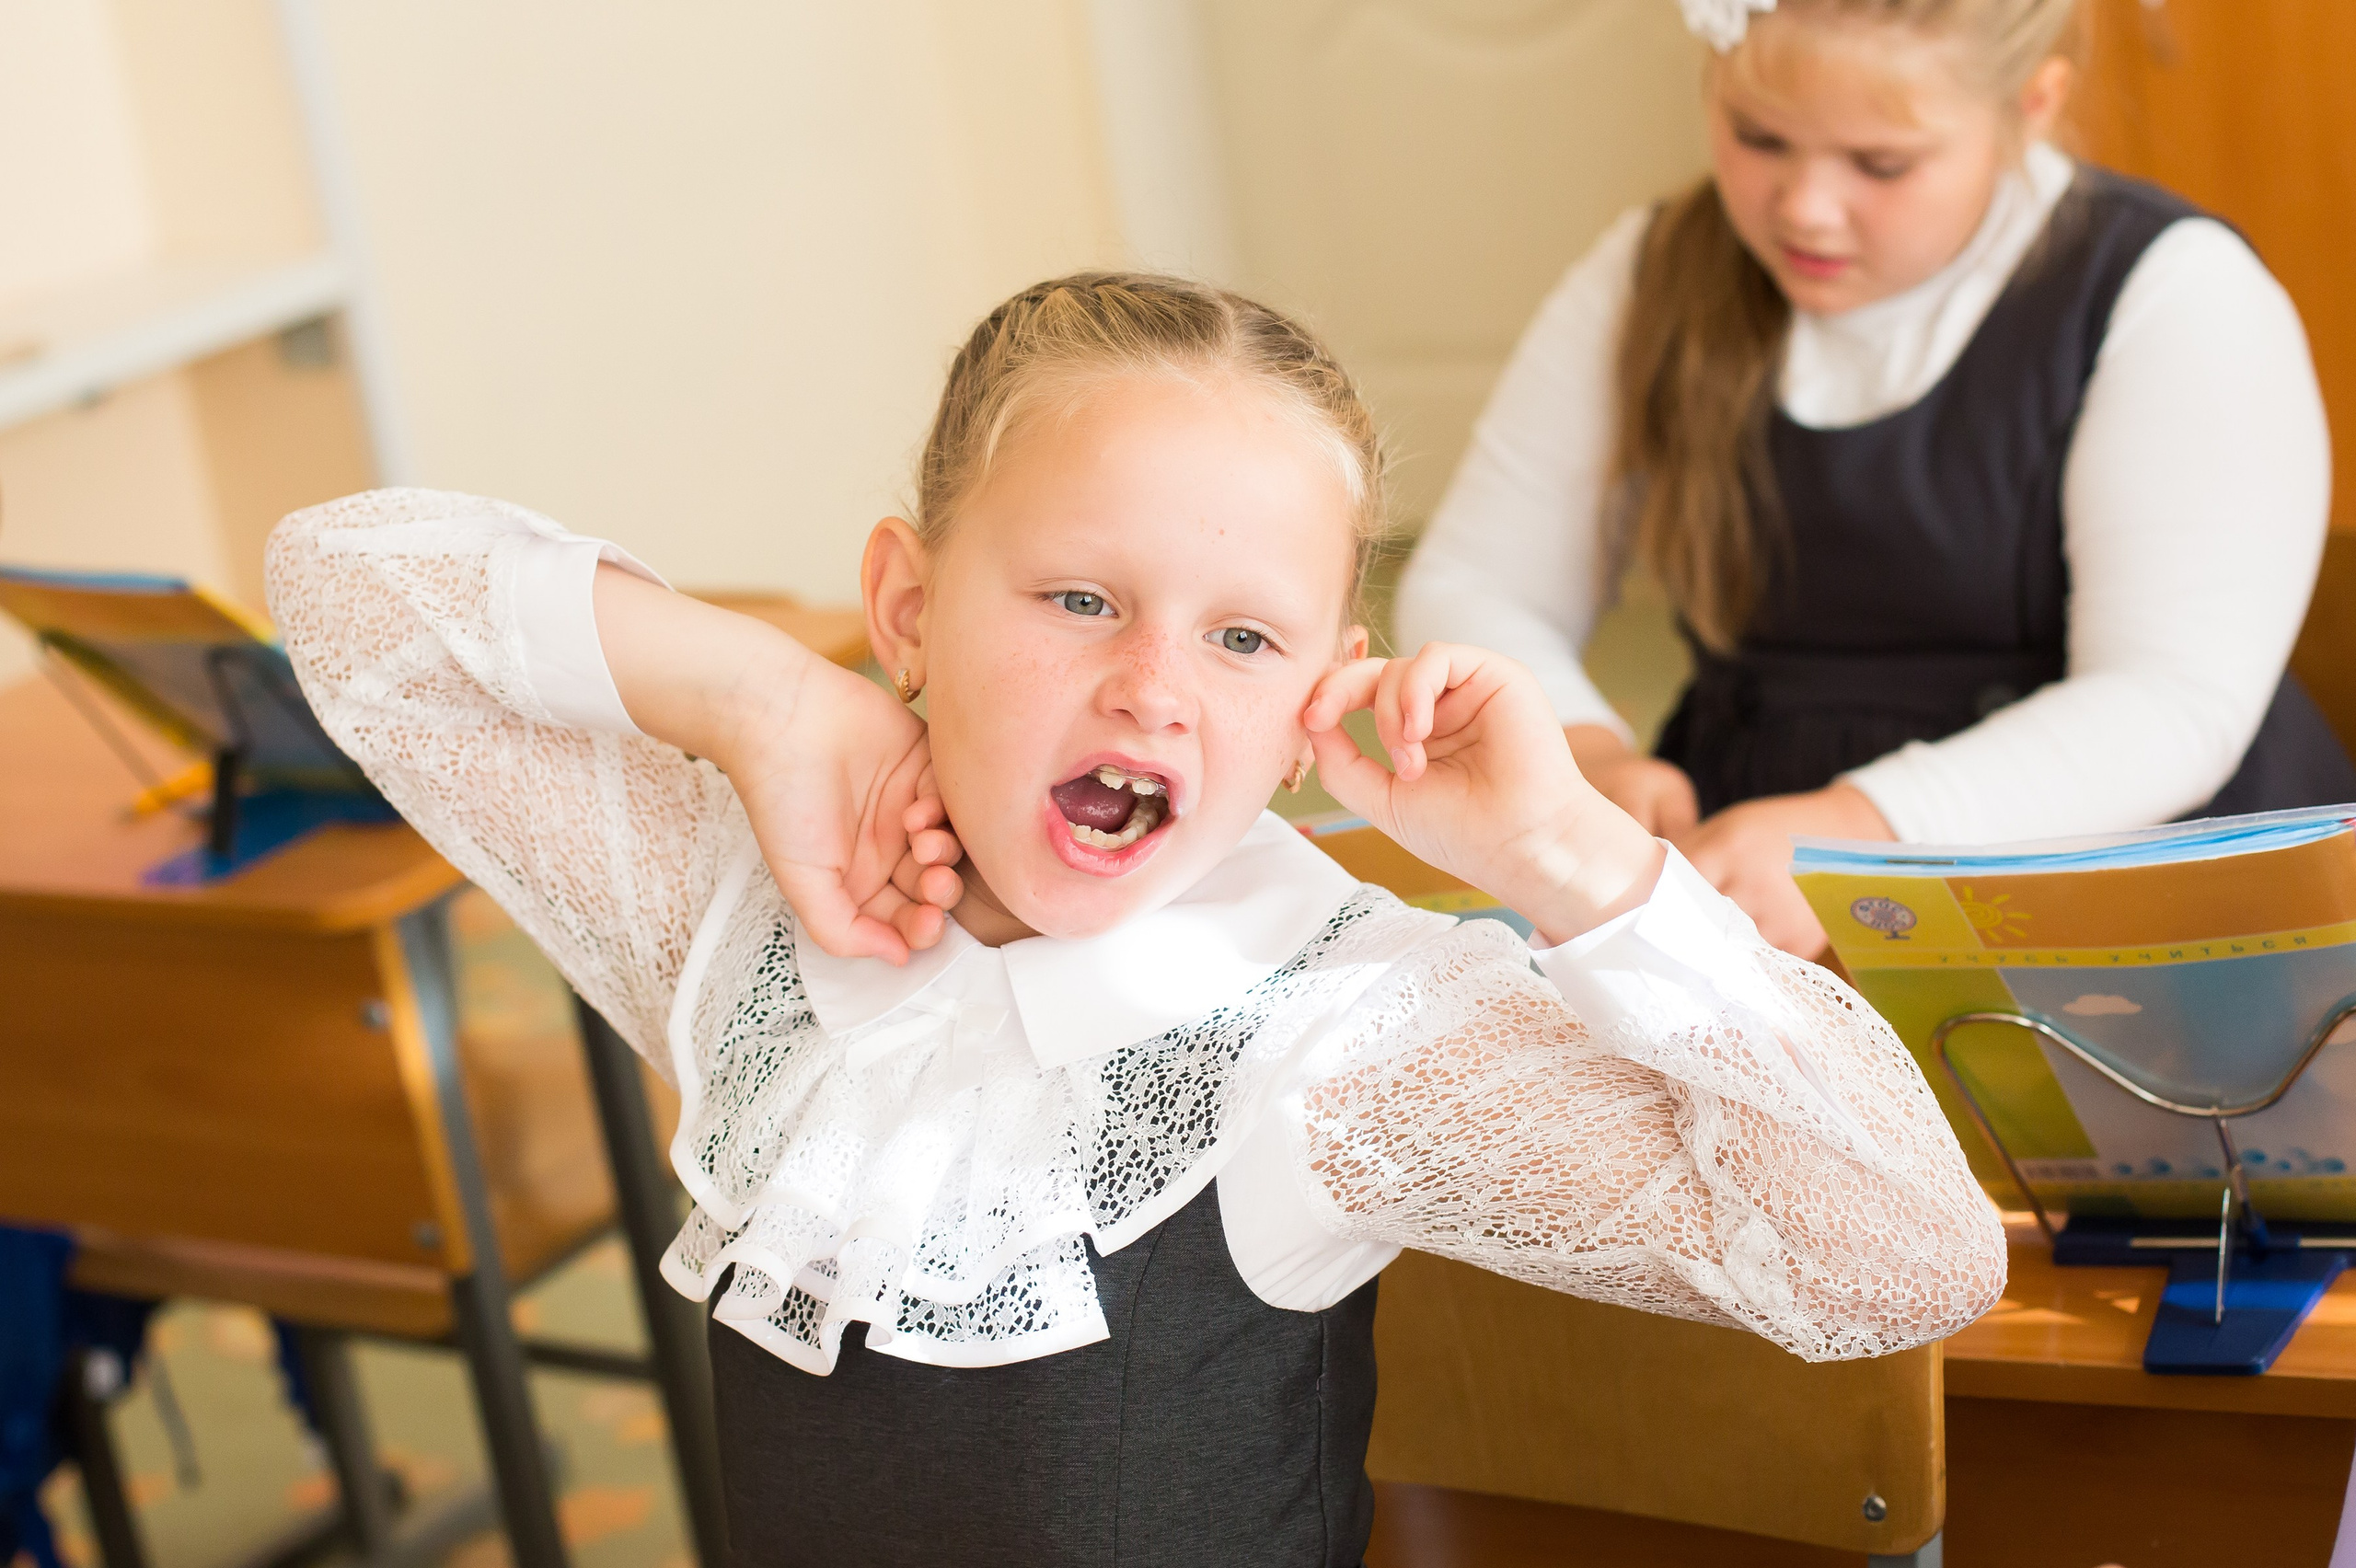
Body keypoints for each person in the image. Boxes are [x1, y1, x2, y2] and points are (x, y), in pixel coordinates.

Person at [266, 273, 2003, 1566]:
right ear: (907, 605)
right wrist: (762, 697)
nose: (1153, 686)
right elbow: (340, 593)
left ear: (1318, 698)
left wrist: (1567, 852)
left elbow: (1904, 1259)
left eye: (1243, 639)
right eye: (1081, 596)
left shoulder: (1334, 1039)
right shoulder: (755, 912)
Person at [1398, 0, 2356, 956]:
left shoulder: (2170, 291)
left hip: (2122, 888)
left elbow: (2168, 703)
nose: (1806, 208)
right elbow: (1478, 579)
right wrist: (1584, 751)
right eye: (1759, 137)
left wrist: (1861, 831)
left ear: (2031, 105)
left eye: (1881, 164)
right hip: (1756, 873)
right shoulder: (1651, 273)